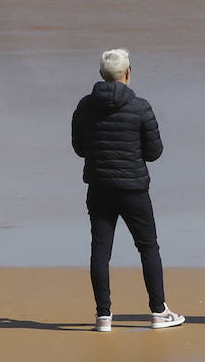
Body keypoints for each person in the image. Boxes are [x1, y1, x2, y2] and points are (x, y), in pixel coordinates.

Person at [71, 48, 184, 331]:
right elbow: (155, 151)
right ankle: (158, 312)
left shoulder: (85, 106)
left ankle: (103, 316)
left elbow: (79, 148)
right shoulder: (141, 107)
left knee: (100, 249)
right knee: (148, 247)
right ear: (128, 74)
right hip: (134, 189)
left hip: (99, 187)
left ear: (101, 75)